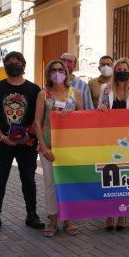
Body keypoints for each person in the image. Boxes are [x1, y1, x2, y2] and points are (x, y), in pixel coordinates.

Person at [0, 51, 45, 233]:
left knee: (29, 182)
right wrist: (1, 136)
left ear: (24, 66)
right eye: (10, 61)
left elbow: (39, 117)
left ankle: (32, 215)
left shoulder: (34, 90)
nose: (14, 63)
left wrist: (31, 132)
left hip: (27, 145)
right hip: (2, 144)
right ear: (5, 66)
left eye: (18, 61)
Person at [32, 60, 84, 237]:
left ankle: (69, 219)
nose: (57, 73)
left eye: (60, 70)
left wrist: (73, 115)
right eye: (53, 70)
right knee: (50, 185)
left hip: (69, 148)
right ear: (48, 73)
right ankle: (53, 219)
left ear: (66, 73)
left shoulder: (76, 93)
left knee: (69, 183)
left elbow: (83, 121)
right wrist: (42, 145)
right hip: (49, 147)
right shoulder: (42, 95)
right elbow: (37, 123)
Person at [97, 58, 129, 231]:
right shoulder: (105, 88)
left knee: (124, 176)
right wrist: (101, 107)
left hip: (128, 140)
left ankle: (122, 214)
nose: (121, 72)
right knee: (109, 175)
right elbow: (99, 111)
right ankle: (109, 214)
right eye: (119, 69)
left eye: (125, 69)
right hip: (109, 139)